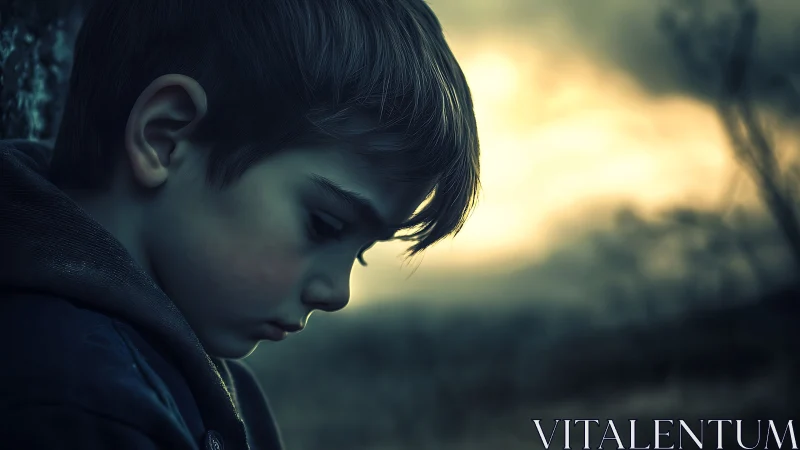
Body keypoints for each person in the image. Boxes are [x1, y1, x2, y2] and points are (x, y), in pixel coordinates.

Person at [0, 0, 480, 449]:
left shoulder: (205, 379)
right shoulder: (77, 401)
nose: (338, 294)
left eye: (361, 252)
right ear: (165, 138)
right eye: (325, 225)